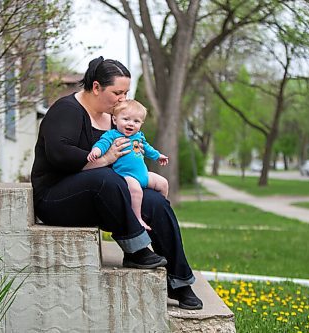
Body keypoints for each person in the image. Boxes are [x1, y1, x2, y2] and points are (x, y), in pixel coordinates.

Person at [30, 56, 203, 310]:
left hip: (105, 195)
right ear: (97, 87)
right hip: (57, 198)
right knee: (105, 178)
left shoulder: (113, 119)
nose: (123, 99)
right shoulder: (67, 110)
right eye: (117, 92)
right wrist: (106, 159)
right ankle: (136, 250)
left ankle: (179, 283)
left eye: (126, 93)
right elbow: (59, 154)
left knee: (156, 202)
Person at [87, 100, 169, 231]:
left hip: (143, 175)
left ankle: (163, 207)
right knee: (136, 191)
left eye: (136, 121)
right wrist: (96, 151)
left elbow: (147, 149)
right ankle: (138, 218)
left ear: (141, 124)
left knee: (163, 183)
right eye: (126, 119)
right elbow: (102, 143)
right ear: (115, 120)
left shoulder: (138, 137)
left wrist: (158, 156)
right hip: (127, 176)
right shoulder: (113, 135)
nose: (131, 123)